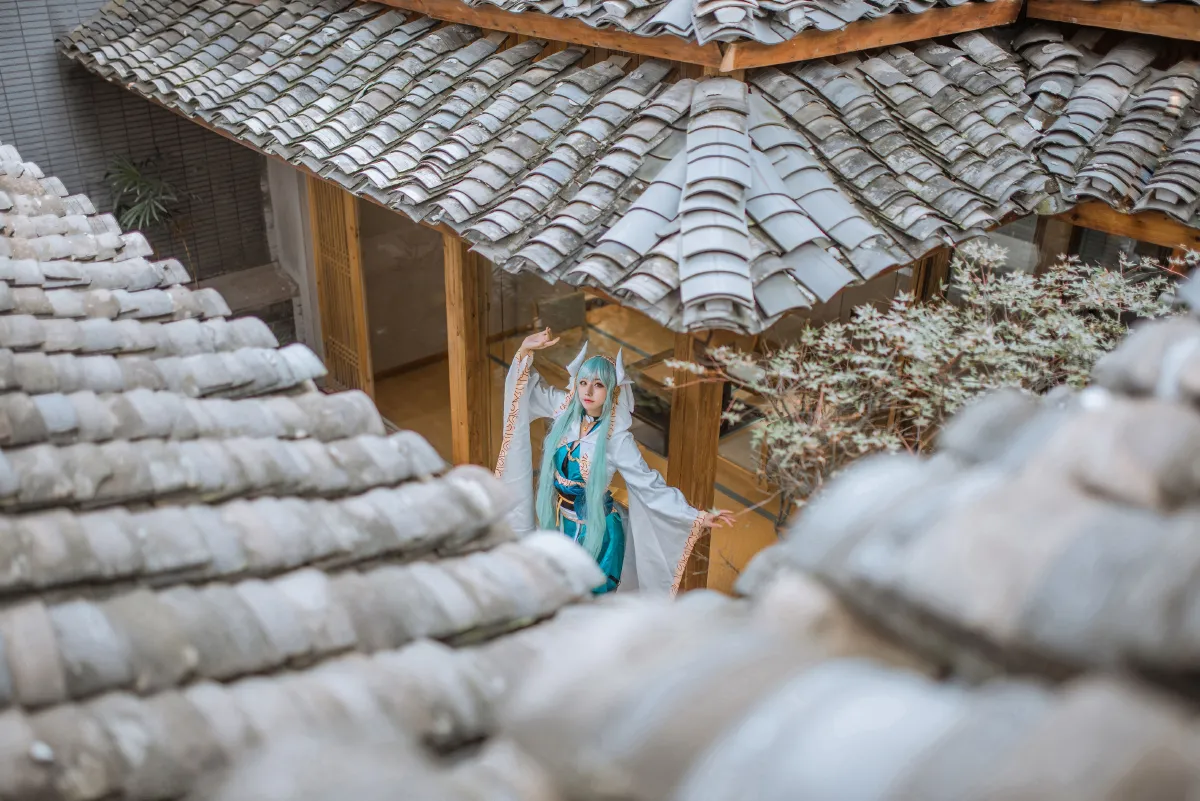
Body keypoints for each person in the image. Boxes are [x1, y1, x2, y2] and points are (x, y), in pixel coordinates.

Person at [495, 327, 735, 596]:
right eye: (584, 382)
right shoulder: (565, 410)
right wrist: (526, 349)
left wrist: (696, 516)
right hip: (563, 521)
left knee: (589, 596)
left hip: (598, 532)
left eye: (598, 385)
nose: (588, 391)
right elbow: (524, 392)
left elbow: (649, 485)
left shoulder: (615, 439)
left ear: (610, 392)